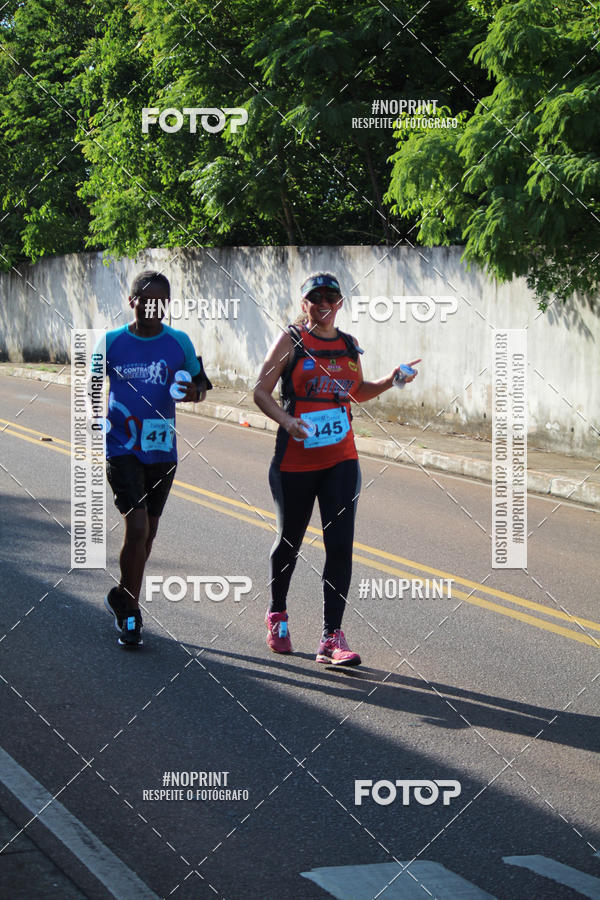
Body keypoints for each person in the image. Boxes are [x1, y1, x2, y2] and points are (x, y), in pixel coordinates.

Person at [253, 271, 418, 666]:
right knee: (290, 541)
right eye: (316, 297)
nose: (324, 302)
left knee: (340, 546)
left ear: (340, 303)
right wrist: (287, 421)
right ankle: (277, 614)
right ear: (304, 302)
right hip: (295, 460)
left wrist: (392, 380)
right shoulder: (291, 340)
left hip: (341, 459)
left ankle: (332, 637)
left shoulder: (348, 345)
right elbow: (260, 391)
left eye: (332, 296)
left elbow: (356, 392)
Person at [92, 271, 209, 647]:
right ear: (132, 302)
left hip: (162, 450)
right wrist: (96, 418)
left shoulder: (179, 342)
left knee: (149, 534)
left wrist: (192, 391)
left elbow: (201, 386)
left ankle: (123, 598)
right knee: (138, 528)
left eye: (161, 301)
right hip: (122, 448)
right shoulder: (110, 342)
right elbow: (92, 390)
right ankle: (130, 613)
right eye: (146, 300)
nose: (153, 307)